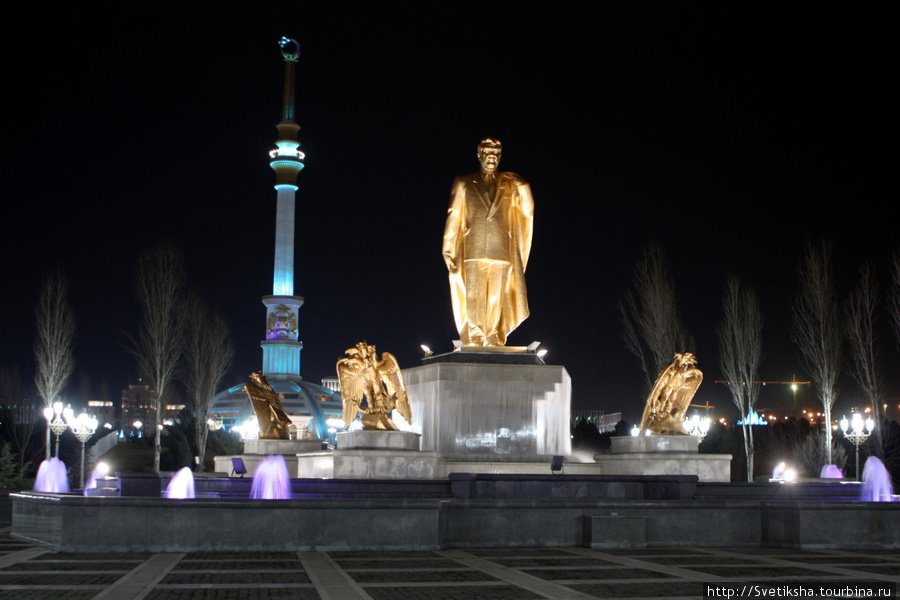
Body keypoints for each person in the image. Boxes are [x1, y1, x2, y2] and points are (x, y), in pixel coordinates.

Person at [442, 138, 534, 346]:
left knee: (495, 296)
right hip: (472, 248)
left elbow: (527, 212)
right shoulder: (464, 182)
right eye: (487, 152)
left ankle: (493, 334)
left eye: (496, 153)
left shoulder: (511, 185)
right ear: (479, 155)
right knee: (474, 294)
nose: (492, 157)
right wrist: (448, 248)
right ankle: (475, 334)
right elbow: (454, 215)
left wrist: (524, 185)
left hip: (501, 249)